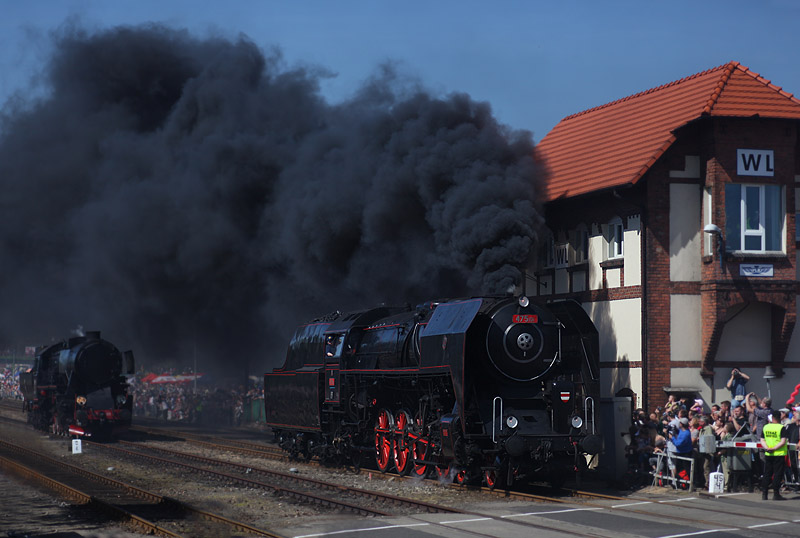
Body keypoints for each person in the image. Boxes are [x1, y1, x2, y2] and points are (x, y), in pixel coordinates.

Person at [760, 413, 788, 500]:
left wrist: (767, 448)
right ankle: (776, 494)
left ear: (772, 418)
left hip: (768, 453)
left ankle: (764, 494)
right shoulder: (781, 427)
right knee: (777, 474)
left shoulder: (766, 427)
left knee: (767, 473)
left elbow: (762, 440)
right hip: (778, 454)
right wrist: (774, 448)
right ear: (779, 417)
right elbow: (783, 441)